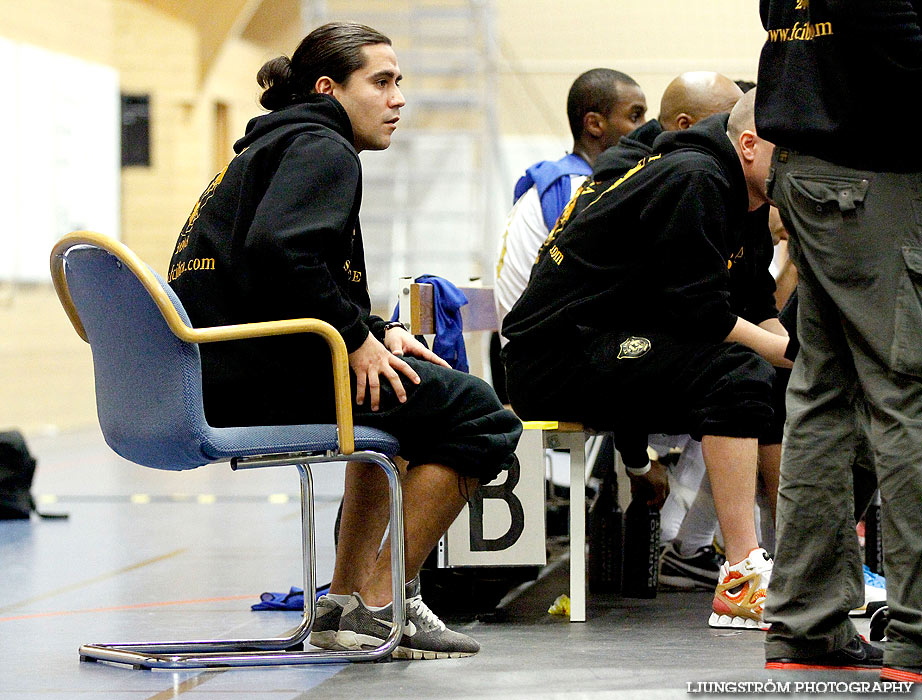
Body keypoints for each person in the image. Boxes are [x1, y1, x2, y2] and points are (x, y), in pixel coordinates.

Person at [167, 22, 522, 660]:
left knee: (400, 401)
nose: (398, 99)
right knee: (481, 417)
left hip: (220, 373)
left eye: (400, 83)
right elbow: (282, 253)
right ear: (329, 89)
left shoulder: (267, 149)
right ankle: (386, 602)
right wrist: (356, 338)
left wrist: (379, 332)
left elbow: (283, 269)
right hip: (260, 379)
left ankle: (345, 605)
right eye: (381, 83)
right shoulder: (320, 146)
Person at [503, 89, 791, 629]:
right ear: (749, 145)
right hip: (555, 358)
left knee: (775, 381)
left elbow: (753, 303)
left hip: (609, 343)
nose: (802, 164)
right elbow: (700, 315)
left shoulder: (746, 193)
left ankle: (796, 566)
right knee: (738, 371)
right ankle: (741, 579)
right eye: (791, 150)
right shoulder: (695, 178)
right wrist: (791, 353)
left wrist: (800, 357)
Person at [756, 1, 922, 677]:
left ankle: (806, 625)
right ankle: (916, 633)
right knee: (904, 395)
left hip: (808, 168)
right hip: (875, 175)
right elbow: (896, 39)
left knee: (823, 400)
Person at [494, 69, 647, 336]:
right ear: (594, 124)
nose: (646, 127)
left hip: (528, 344)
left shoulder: (563, 180)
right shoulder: (584, 190)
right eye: (636, 116)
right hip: (543, 353)